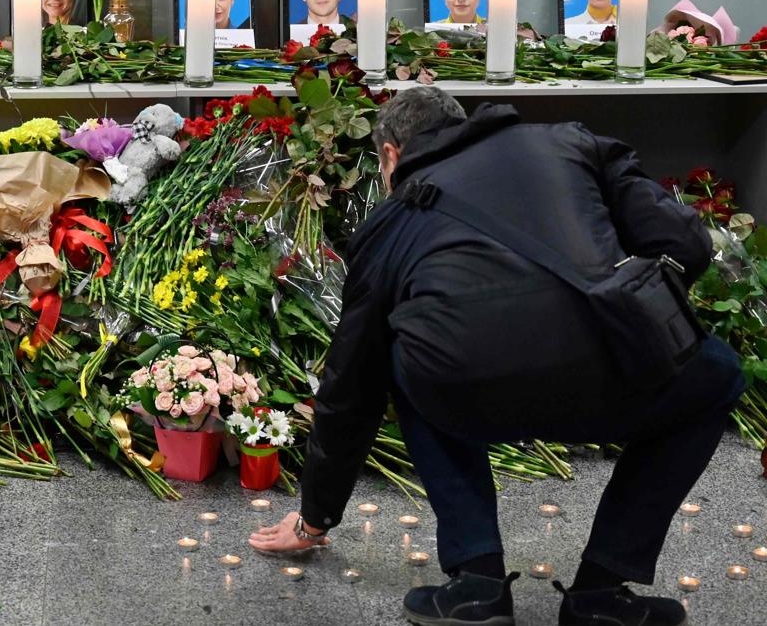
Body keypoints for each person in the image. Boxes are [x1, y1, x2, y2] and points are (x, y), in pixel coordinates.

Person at [248, 86, 742, 626]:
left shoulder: (389, 225)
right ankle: (602, 591)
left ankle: (476, 583)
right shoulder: (573, 143)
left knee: (405, 350)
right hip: (615, 379)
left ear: (391, 155)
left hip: (469, 394)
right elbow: (686, 245)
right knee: (715, 374)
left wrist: (315, 517)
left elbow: (351, 386)